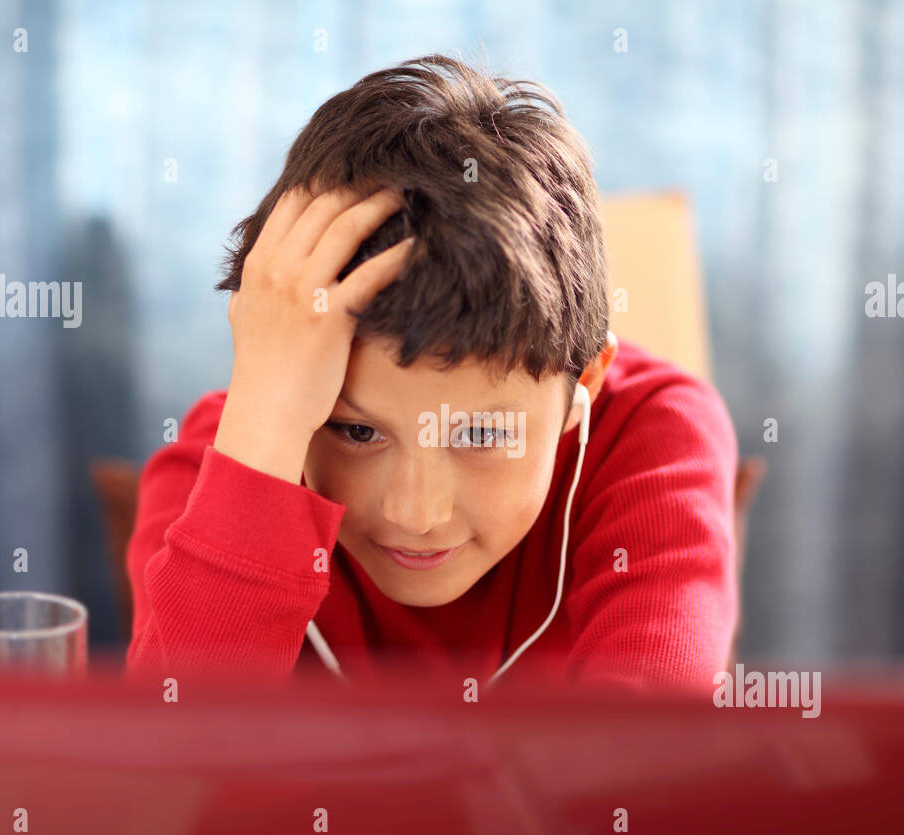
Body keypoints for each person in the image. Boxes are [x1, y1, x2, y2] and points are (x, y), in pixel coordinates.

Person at [126, 54, 738, 692]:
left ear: (582, 387)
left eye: (479, 435)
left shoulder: (655, 429)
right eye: (356, 432)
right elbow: (174, 767)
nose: (415, 514)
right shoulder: (224, 459)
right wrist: (264, 437)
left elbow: (643, 772)